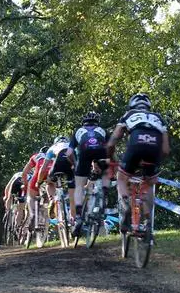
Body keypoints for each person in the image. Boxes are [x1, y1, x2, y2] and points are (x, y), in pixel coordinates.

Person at [107, 93, 170, 229]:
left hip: (135, 144)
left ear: (132, 105)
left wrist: (109, 155)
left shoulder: (128, 115)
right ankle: (148, 223)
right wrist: (156, 163)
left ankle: (125, 206)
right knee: (149, 183)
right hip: (154, 148)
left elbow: (114, 139)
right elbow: (165, 149)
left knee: (121, 177)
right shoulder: (159, 118)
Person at [67, 112, 110, 234]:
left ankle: (79, 216)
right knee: (106, 171)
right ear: (97, 122)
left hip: (84, 153)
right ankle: (104, 193)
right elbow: (111, 147)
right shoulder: (102, 130)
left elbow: (69, 153)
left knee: (79, 185)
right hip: (101, 152)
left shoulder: (78, 131)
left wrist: (74, 164)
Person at [38, 136, 76, 223]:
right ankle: (73, 220)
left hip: (58, 164)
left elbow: (43, 168)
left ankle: (52, 199)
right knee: (72, 196)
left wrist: (39, 181)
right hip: (70, 166)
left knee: (49, 182)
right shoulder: (71, 145)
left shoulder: (52, 148)